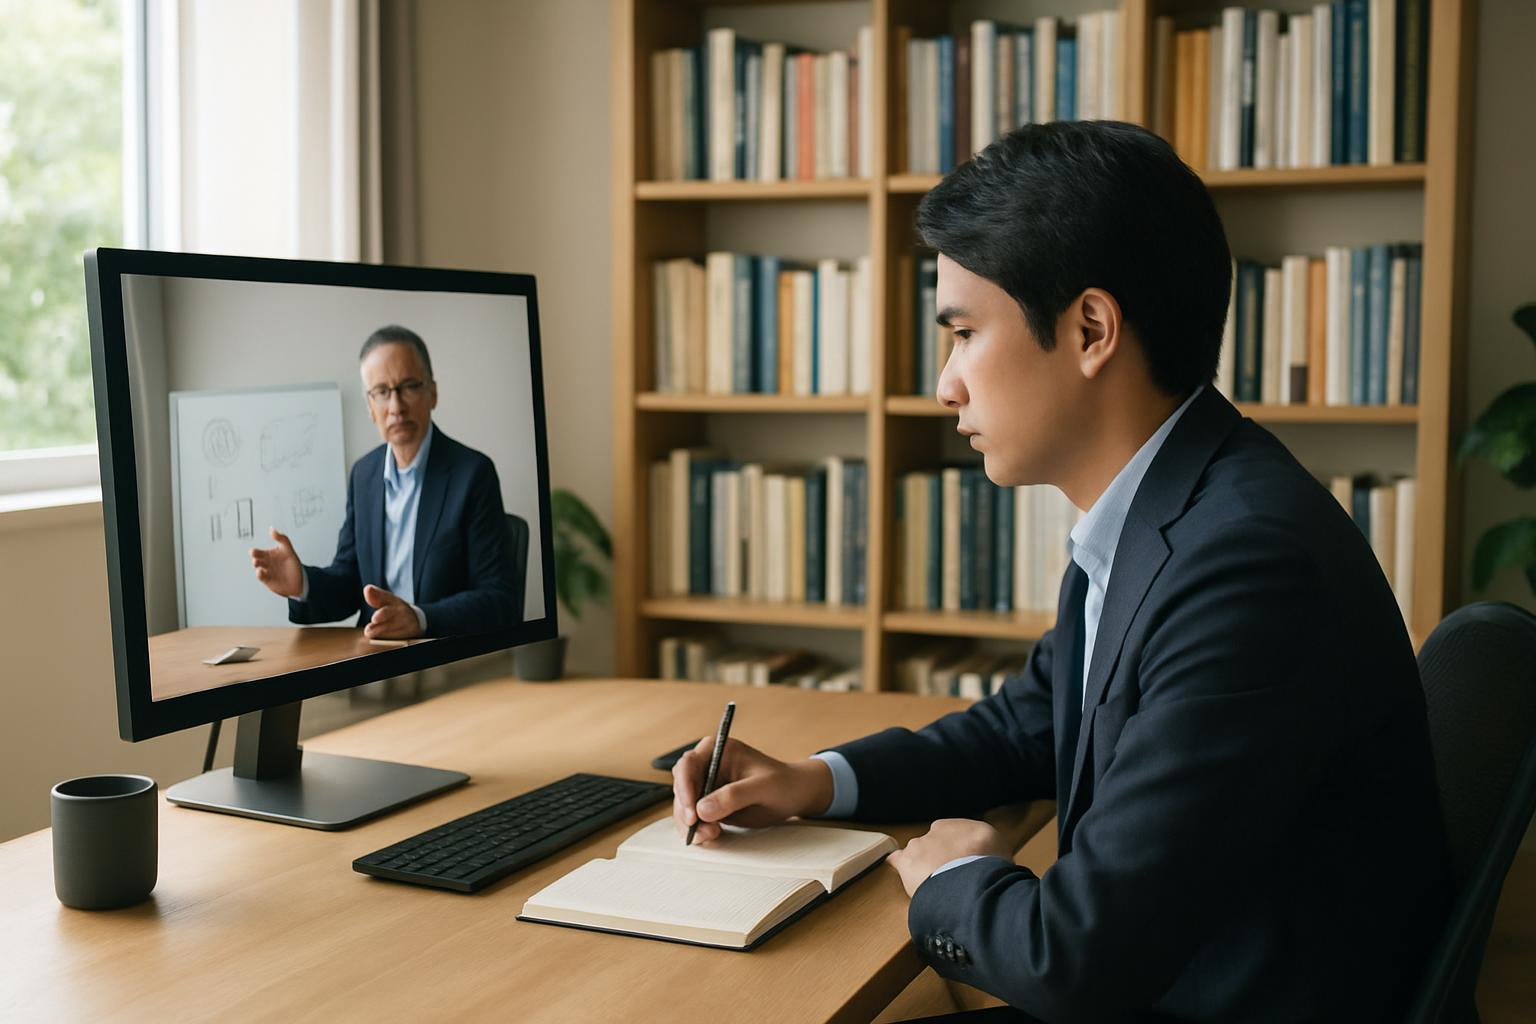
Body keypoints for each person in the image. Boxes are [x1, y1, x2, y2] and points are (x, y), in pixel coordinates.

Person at [671, 122, 1450, 1022]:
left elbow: (1074, 959)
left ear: (1090, 329)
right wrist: (816, 780)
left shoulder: (1246, 563)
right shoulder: (1167, 508)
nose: (945, 384)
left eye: (963, 333)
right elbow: (1030, 725)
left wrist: (953, 879)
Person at [250, 325, 520, 639]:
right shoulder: (364, 475)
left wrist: (419, 619)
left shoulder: (472, 474)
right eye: (382, 392)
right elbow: (350, 582)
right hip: (375, 658)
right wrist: (302, 584)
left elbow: (500, 599)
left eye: (408, 386)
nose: (396, 407)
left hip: (445, 656)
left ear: (432, 392)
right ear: (370, 407)